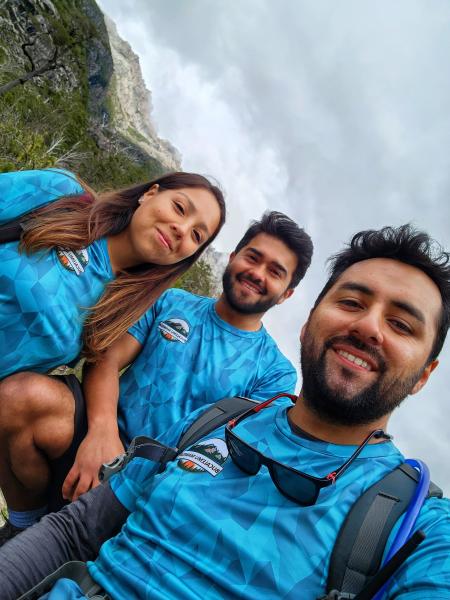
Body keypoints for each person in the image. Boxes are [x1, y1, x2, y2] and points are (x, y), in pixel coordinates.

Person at [2, 224, 449, 600]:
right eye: (351, 302)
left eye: (401, 324)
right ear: (311, 318)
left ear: (424, 375)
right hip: (126, 468)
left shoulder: (414, 526)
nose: (368, 326)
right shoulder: (221, 415)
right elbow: (75, 533)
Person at [0, 211, 313, 540]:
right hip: (95, 439)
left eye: (275, 272)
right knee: (19, 397)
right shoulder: (171, 302)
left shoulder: (276, 373)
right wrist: (102, 433)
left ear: (286, 293)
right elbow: (106, 358)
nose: (257, 273)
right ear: (234, 257)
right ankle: (23, 524)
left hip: (159, 489)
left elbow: (231, 459)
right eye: (253, 257)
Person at [0, 167, 226, 378]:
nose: (182, 229)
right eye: (179, 208)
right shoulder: (62, 192)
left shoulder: (123, 313)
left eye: (196, 236)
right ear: (149, 194)